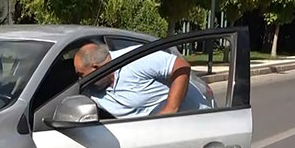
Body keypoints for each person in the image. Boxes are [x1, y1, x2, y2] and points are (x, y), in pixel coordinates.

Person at [73, 41, 210, 118]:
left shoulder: (135, 59)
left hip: (196, 123)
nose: (80, 79)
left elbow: (181, 66)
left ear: (96, 68)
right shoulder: (91, 90)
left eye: (81, 74)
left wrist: (169, 110)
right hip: (153, 140)